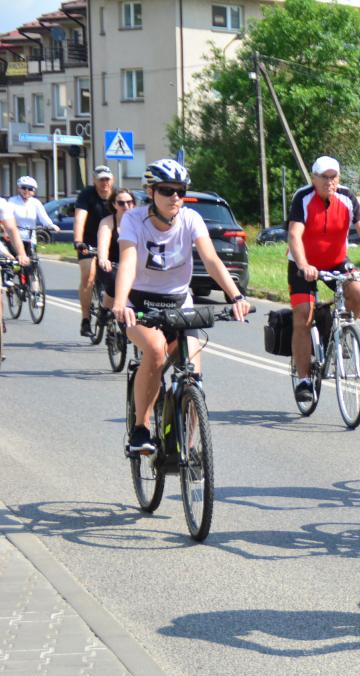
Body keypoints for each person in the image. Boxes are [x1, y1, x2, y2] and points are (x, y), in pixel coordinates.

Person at [112, 159, 250, 455]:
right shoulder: (134, 220)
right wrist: (121, 303)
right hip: (140, 304)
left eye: (180, 191)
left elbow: (211, 260)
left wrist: (236, 297)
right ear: (151, 191)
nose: (175, 196)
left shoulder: (191, 219)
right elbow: (128, 262)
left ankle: (187, 449)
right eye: (167, 190)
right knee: (155, 350)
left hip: (179, 304)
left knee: (193, 377)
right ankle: (141, 428)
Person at [287, 156, 360, 404]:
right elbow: (295, 235)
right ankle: (304, 380)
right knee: (303, 316)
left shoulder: (347, 197)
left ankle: (338, 332)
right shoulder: (303, 197)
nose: (329, 182)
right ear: (314, 178)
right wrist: (303, 265)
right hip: (303, 264)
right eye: (324, 177)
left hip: (336, 261)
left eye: (333, 177)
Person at [73, 165, 116, 337]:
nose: (104, 183)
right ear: (94, 181)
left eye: (107, 179)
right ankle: (85, 320)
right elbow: (79, 219)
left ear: (112, 180)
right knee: (88, 277)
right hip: (89, 242)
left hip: (112, 242)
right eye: (101, 179)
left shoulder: (117, 196)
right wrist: (78, 241)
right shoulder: (87, 195)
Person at [94, 187, 138, 313]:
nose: (126, 206)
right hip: (112, 265)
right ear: (114, 204)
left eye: (129, 202)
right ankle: (104, 311)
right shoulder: (108, 222)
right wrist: (103, 259)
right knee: (115, 281)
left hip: (134, 265)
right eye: (121, 203)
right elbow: (103, 242)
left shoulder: (140, 222)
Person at [7, 176, 61, 248]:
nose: (27, 191)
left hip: (31, 239)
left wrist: (51, 225)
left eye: (30, 189)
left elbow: (43, 217)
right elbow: (7, 217)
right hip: (15, 238)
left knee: (32, 254)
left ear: (34, 191)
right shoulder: (12, 201)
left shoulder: (36, 202)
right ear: (19, 189)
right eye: (24, 188)